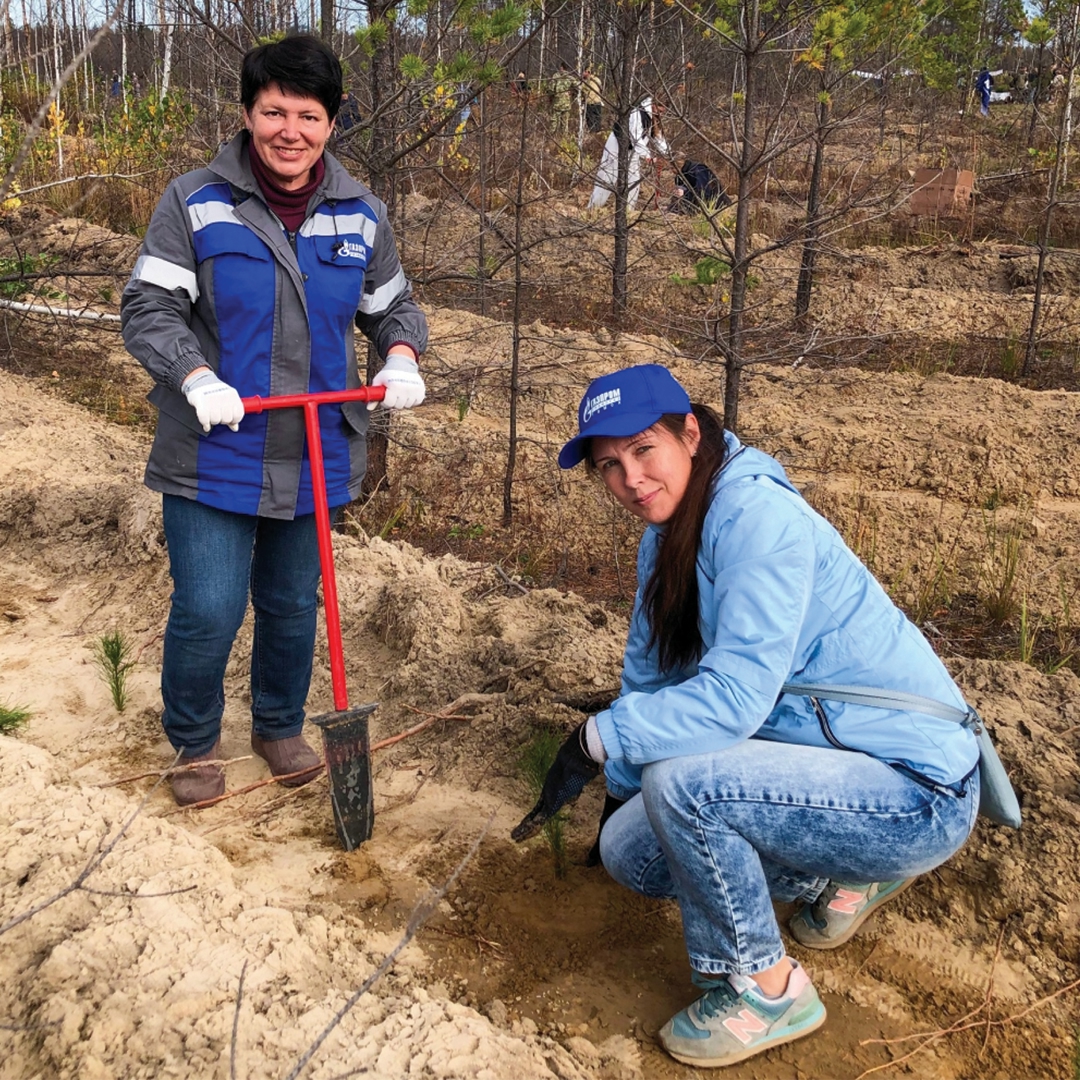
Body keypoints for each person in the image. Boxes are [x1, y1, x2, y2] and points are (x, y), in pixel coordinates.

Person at [513, 364, 980, 1069]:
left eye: (644, 451)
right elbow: (650, 671)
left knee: (685, 786)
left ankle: (766, 988)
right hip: (828, 761)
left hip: (915, 789)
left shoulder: (757, 518)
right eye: (609, 467)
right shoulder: (668, 532)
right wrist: (618, 791)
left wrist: (597, 738)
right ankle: (837, 872)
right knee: (631, 853)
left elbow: (734, 700)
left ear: (690, 435)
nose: (630, 480)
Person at [121, 35, 428, 807]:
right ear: (249, 114)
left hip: (317, 449)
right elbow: (148, 307)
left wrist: (401, 357)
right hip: (216, 447)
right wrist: (193, 375)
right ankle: (194, 741)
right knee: (209, 606)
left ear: (332, 124)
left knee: (293, 604)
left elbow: (392, 307)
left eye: (309, 114)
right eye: (274, 111)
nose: (290, 129)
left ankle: (279, 724)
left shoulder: (362, 215)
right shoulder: (195, 201)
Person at [587, 98, 669, 210]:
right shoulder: (637, 112)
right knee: (607, 178)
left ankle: (628, 212)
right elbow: (635, 136)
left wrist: (668, 154)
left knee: (634, 181)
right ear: (654, 104)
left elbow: (658, 138)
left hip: (633, 151)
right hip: (616, 146)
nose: (661, 113)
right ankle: (593, 208)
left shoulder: (653, 118)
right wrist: (648, 156)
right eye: (660, 110)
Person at [551, 62, 574, 136]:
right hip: (566, 104)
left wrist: (551, 97)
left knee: (554, 122)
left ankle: (552, 138)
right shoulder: (570, 78)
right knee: (564, 123)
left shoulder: (556, 76)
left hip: (557, 103)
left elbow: (550, 89)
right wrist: (571, 93)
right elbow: (578, 87)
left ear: (561, 67)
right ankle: (563, 140)